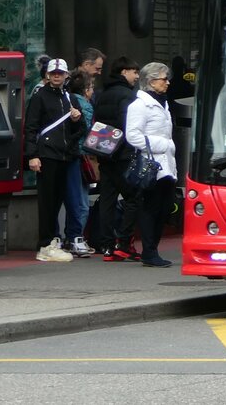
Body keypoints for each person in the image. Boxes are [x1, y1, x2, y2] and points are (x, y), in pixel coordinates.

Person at [23, 58, 84, 263]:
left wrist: (76, 121)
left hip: (64, 155)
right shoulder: (40, 97)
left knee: (58, 200)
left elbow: (79, 129)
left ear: (66, 75)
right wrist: (32, 155)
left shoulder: (70, 98)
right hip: (47, 154)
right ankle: (45, 244)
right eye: (54, 73)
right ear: (48, 76)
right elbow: (31, 128)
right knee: (47, 201)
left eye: (61, 73)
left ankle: (51, 242)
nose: (57, 76)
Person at [125, 62, 179, 268]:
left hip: (166, 163)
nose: (167, 82)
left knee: (164, 208)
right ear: (151, 81)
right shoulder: (139, 106)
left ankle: (152, 249)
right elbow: (133, 135)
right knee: (151, 207)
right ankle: (149, 251)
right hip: (151, 163)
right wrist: (162, 145)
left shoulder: (163, 103)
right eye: (163, 79)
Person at [92, 56, 142, 261]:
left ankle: (106, 246)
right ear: (124, 72)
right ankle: (124, 242)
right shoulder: (128, 96)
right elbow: (127, 125)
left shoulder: (102, 94)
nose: (137, 76)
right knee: (134, 197)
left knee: (107, 200)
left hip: (105, 152)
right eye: (134, 72)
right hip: (123, 154)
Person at [62, 70, 96, 257]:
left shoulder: (66, 99)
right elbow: (89, 130)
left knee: (70, 198)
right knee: (80, 201)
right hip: (81, 155)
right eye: (91, 87)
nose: (92, 91)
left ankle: (69, 237)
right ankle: (76, 238)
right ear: (85, 90)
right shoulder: (85, 105)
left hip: (66, 154)